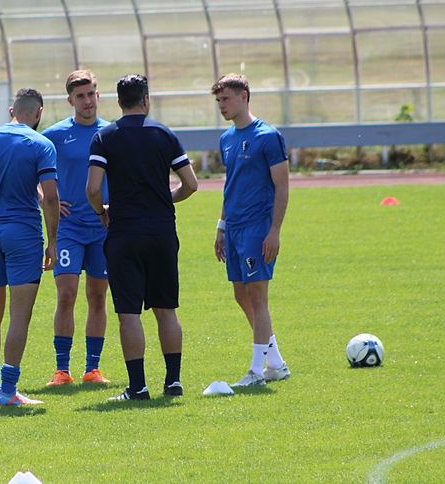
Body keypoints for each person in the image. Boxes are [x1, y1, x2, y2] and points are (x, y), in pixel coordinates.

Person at [87, 74, 198, 401]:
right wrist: (166, 199)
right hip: (161, 230)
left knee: (129, 312)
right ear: (146, 99)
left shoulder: (105, 137)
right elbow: (191, 184)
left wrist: (101, 211)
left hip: (124, 231)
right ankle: (173, 381)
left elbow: (92, 188)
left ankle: (138, 386)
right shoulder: (164, 134)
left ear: (119, 102)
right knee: (166, 308)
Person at [0, 88, 60, 406]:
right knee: (20, 315)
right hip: (24, 236)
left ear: (11, 111)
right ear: (38, 113)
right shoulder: (41, 144)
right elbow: (51, 198)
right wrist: (54, 241)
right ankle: (8, 391)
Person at [211, 73, 291, 388]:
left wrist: (275, 231)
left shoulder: (268, 136)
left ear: (244, 96)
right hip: (233, 228)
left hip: (257, 228)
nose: (222, 106)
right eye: (218, 101)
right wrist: (221, 226)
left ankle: (257, 372)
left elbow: (282, 187)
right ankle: (276, 363)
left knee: (258, 297)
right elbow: (230, 186)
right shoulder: (226, 139)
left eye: (226, 99)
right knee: (240, 294)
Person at [40, 70, 112, 387]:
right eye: (80, 96)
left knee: (97, 296)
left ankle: (92, 369)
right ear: (70, 100)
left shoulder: (111, 133)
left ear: (98, 95)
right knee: (66, 294)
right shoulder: (54, 135)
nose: (87, 101)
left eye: (91, 94)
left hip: (103, 228)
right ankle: (62, 370)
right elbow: (30, 169)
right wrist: (46, 198)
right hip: (68, 229)